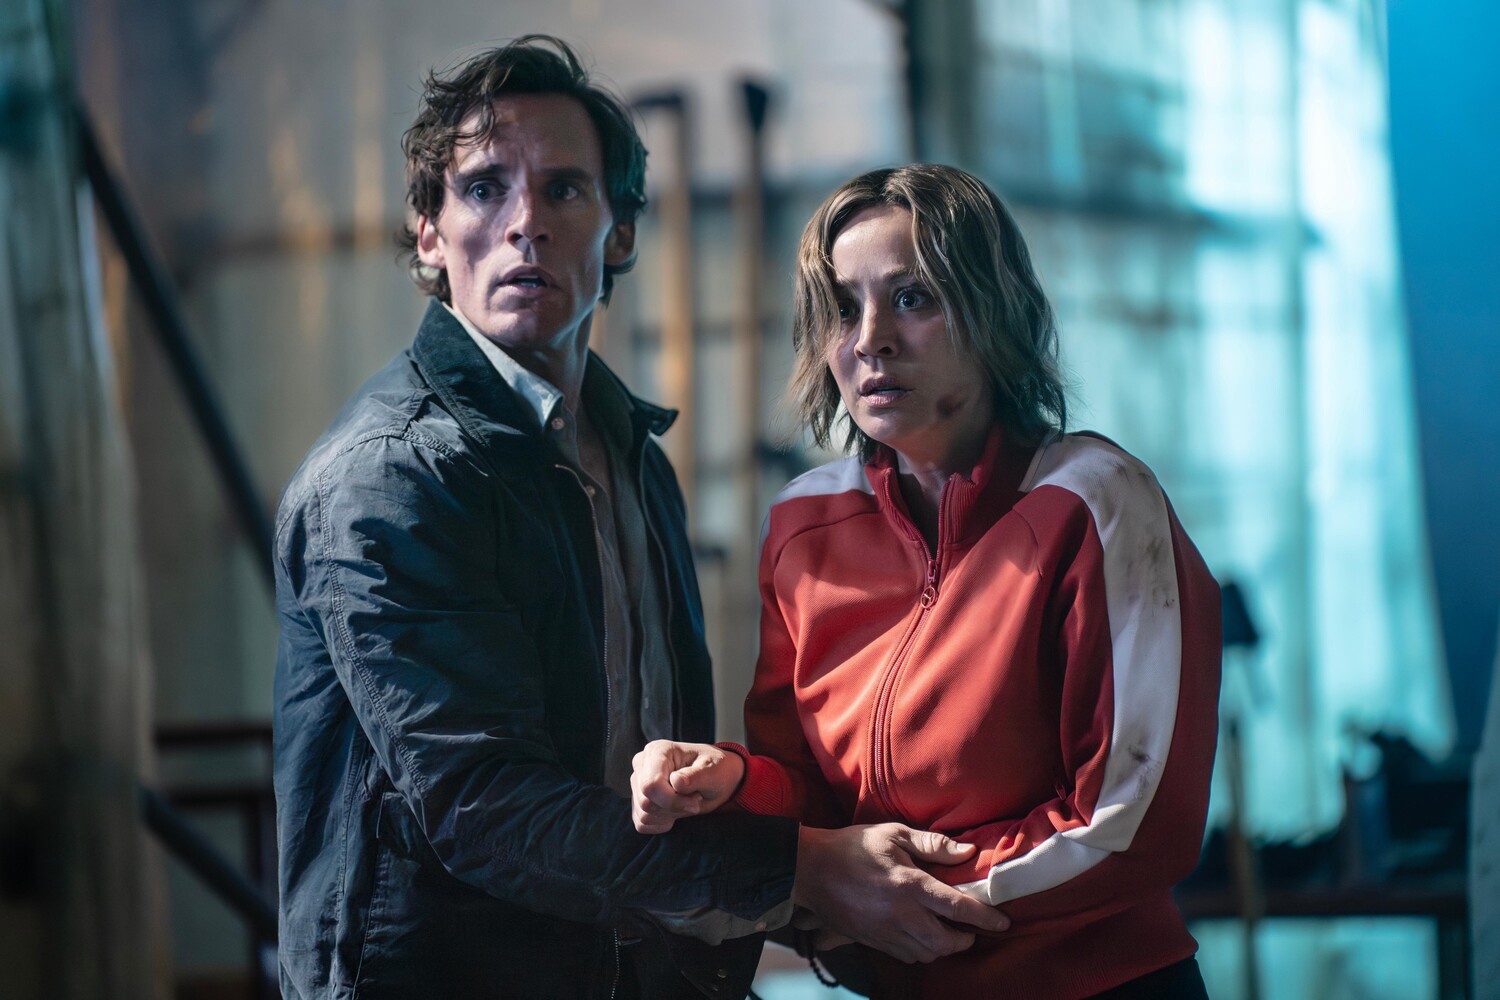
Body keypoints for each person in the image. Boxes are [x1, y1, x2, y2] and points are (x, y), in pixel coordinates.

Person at [273, 41, 1009, 1000]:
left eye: (565, 189)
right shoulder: (391, 476)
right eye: (485, 189)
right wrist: (801, 871)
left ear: (619, 235)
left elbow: (661, 763)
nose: (526, 223)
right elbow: (484, 807)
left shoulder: (627, 452)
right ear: (428, 236)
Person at [631, 164, 1222, 998]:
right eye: (844, 308)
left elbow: (1131, 822)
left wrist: (880, 897)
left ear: (994, 312)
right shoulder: (803, 523)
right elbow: (809, 798)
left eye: (912, 298)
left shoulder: (1094, 502)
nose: (870, 339)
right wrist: (728, 783)